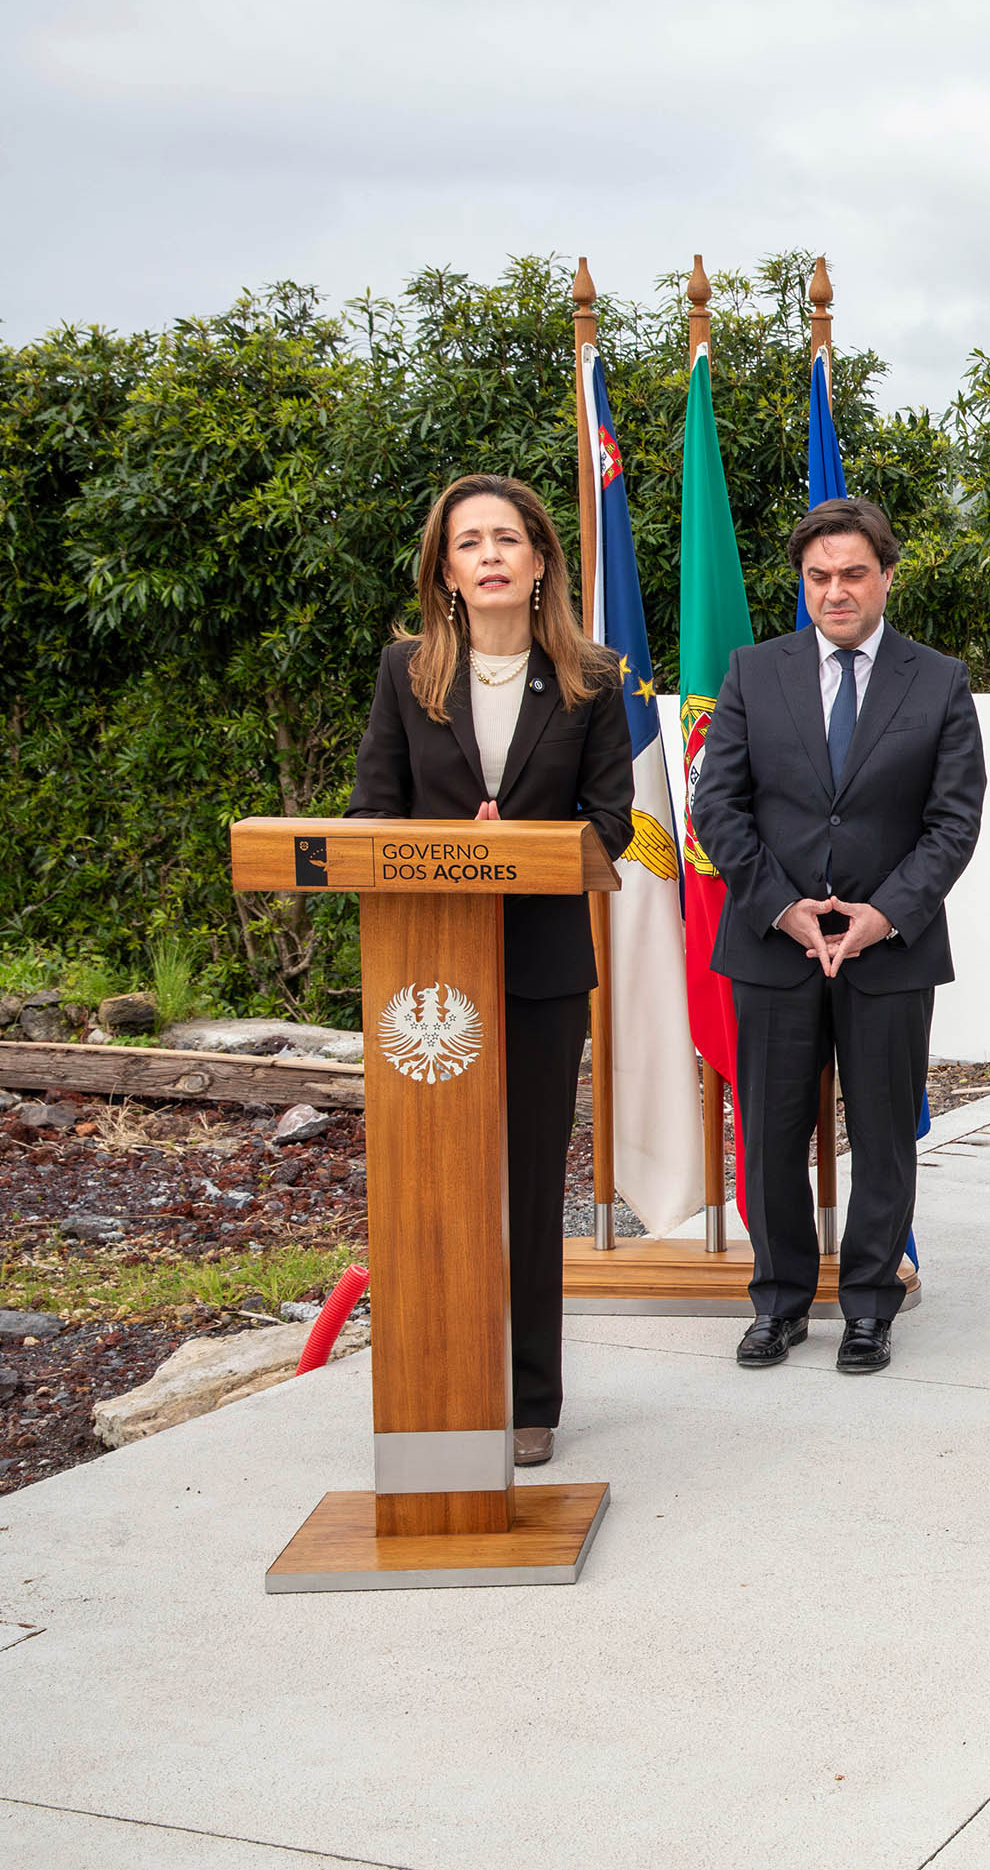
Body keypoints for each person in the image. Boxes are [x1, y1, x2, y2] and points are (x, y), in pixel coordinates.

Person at [349, 473, 633, 1467]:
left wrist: (517, 843)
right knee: (435, 1183)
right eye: (469, 543)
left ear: (541, 559)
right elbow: (371, 818)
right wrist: (453, 849)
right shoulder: (405, 674)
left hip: (543, 971)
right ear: (447, 571)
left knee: (523, 1186)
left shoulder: (594, 677)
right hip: (427, 978)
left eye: (507, 538)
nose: (491, 555)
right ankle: (440, 1382)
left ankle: (529, 1400)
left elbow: (611, 830)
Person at [689, 497, 985, 1376]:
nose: (836, 591)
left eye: (853, 573)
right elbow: (717, 805)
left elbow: (953, 821)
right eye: (818, 577)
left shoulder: (937, 681)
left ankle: (868, 1306)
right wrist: (781, 906)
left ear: (887, 575)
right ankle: (777, 1303)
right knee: (771, 1135)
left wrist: (880, 915)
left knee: (887, 1135)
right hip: (773, 945)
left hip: (888, 949)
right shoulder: (752, 671)